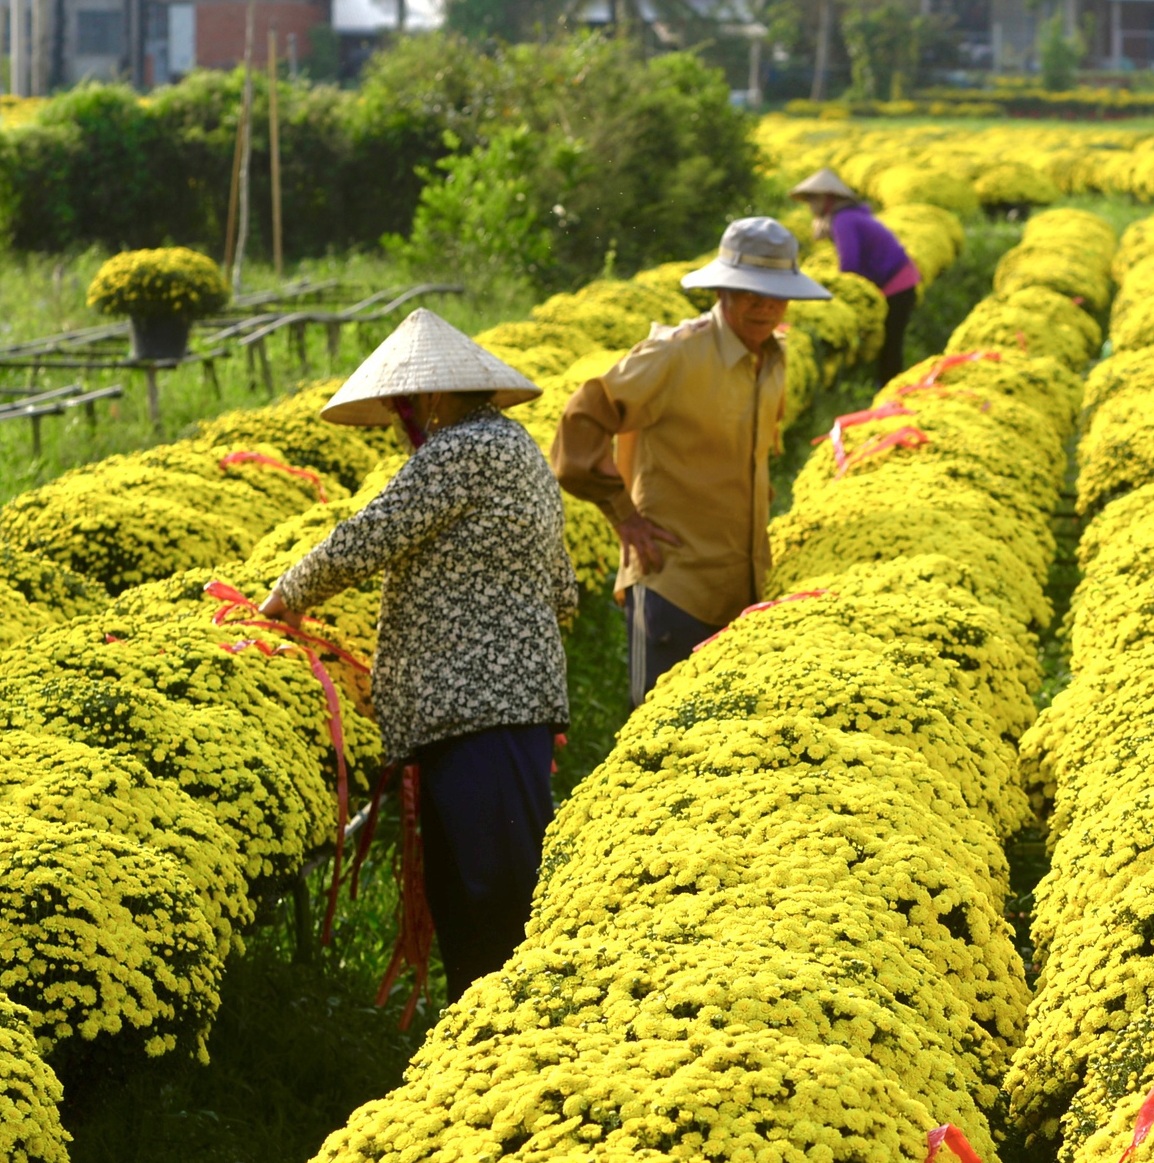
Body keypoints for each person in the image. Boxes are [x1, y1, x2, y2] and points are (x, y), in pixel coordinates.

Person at [259, 308, 575, 1002]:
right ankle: (493, 1031)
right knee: (494, 883)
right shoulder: (516, 447)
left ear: (433, 397)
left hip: (475, 711)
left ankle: (505, 1035)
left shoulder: (460, 451)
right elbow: (564, 588)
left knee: (487, 893)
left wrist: (286, 596)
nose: (409, 420)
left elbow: (369, 537)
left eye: (408, 405)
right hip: (506, 707)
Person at [548, 216, 831, 705]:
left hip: (744, 586)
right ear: (721, 291)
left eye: (775, 293)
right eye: (749, 292)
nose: (764, 305)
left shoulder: (774, 358)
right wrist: (624, 515)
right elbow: (583, 417)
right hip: (672, 584)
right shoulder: (673, 356)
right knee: (659, 732)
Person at [791, 165, 921, 385]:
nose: (810, 205)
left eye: (813, 199)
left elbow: (850, 264)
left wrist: (838, 296)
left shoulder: (844, 221)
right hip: (900, 279)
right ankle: (886, 390)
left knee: (890, 345)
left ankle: (890, 395)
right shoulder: (847, 216)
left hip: (897, 283)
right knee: (889, 344)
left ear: (827, 198)